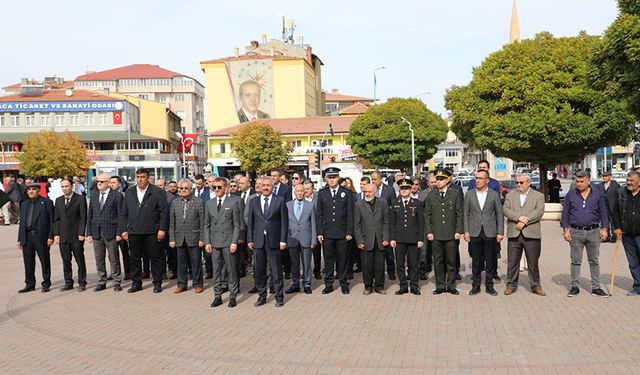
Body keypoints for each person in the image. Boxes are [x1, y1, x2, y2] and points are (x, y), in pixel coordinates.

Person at [560, 170, 610, 298]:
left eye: (582, 181)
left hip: (593, 232)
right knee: (575, 261)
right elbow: (565, 213)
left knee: (594, 261)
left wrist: (604, 229)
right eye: (577, 181)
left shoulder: (597, 194)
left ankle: (596, 287)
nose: (579, 184)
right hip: (575, 232)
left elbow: (603, 213)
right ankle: (575, 286)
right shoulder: (571, 195)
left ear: (589, 181)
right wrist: (565, 230)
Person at [119, 168, 169, 293]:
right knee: (134, 258)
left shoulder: (157, 192)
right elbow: (123, 213)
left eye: (142, 177)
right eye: (138, 177)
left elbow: (164, 212)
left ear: (148, 178)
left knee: (156, 257)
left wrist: (162, 229)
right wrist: (123, 229)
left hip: (152, 230)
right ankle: (136, 283)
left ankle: (157, 283)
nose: (140, 179)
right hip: (134, 231)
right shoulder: (129, 192)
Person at [247, 177, 288, 307]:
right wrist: (250, 239)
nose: (265, 187)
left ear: (273, 187)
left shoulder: (280, 201)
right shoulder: (253, 202)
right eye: (262, 185)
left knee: (276, 270)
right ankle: (262, 296)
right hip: (258, 241)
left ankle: (279, 296)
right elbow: (251, 223)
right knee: (259, 270)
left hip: (274, 241)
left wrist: (283, 240)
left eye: (268, 185)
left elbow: (284, 223)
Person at [503, 173, 546, 296]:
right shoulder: (510, 196)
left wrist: (526, 220)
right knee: (512, 262)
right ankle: (511, 285)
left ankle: (536, 285)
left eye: (521, 182)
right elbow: (505, 210)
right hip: (514, 233)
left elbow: (539, 211)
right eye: (517, 182)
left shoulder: (538, 196)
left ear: (529, 183)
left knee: (533, 262)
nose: (518, 185)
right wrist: (519, 218)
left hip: (531, 233)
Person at [463, 170, 504, 296]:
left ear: (487, 180)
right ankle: (475, 285)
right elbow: (466, 214)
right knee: (476, 260)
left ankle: (489, 285)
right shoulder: (469, 194)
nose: (478, 180)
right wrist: (466, 231)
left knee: (490, 260)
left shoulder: (494, 194)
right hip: (474, 232)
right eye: (476, 178)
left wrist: (500, 232)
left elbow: (499, 214)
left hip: (490, 231)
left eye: (481, 178)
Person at [204, 178, 243, 307]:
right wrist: (207, 241)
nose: (216, 190)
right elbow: (206, 224)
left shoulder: (233, 202)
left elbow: (237, 225)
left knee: (231, 270)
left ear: (225, 187)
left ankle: (232, 295)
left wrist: (234, 242)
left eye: (219, 187)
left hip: (228, 241)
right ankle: (217, 295)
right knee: (216, 271)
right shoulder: (209, 203)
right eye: (214, 187)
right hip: (214, 242)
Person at [316, 167, 355, 295]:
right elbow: (319, 214)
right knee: (328, 260)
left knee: (342, 260)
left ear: (338, 178)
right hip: (327, 233)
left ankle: (344, 284)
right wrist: (320, 232)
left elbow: (350, 214)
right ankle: (328, 284)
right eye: (329, 177)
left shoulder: (347, 192)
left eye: (334, 177)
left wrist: (349, 232)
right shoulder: (322, 193)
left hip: (342, 233)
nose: (332, 180)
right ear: (326, 179)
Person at [425, 169, 463, 295]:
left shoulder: (454, 194)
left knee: (451, 261)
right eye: (437, 180)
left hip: (451, 233)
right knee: (438, 261)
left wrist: (459, 231)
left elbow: (459, 214)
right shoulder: (431, 195)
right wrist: (429, 232)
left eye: (441, 179)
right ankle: (440, 285)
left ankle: (451, 285)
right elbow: (427, 215)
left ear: (447, 180)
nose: (439, 182)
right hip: (436, 234)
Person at [86, 174, 122, 292]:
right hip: (96, 232)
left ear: (108, 183)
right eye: (98, 182)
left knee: (114, 258)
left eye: (102, 181)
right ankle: (102, 281)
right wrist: (89, 233)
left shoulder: (116, 196)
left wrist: (119, 233)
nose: (99, 183)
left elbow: (120, 215)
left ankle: (116, 281)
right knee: (99, 259)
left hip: (111, 232)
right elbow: (90, 215)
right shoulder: (94, 195)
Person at [16, 183, 54, 293]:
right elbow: (22, 222)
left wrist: (50, 236)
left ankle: (46, 283)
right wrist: (19, 238)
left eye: (34, 189)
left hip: (41, 236)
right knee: (28, 261)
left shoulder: (47, 202)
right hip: (27, 237)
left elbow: (52, 221)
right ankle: (30, 283)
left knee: (44, 260)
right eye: (29, 190)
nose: (31, 191)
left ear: (39, 190)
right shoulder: (24, 204)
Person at [169, 179, 205, 294]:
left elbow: (203, 222)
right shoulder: (175, 202)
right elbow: (172, 223)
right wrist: (172, 239)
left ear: (191, 189)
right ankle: (181, 284)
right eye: (181, 188)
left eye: (186, 188)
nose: (183, 190)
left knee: (196, 263)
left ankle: (197, 284)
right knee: (181, 263)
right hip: (180, 238)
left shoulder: (199, 202)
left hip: (194, 237)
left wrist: (202, 238)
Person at [389, 178, 424, 295]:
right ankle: (403, 286)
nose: (404, 190)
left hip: (413, 239)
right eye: (402, 188)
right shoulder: (395, 203)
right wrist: (392, 238)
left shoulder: (417, 203)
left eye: (406, 188)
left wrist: (420, 239)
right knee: (399, 264)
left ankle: (414, 286)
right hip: (399, 239)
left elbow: (421, 223)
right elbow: (391, 223)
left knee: (414, 264)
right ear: (399, 190)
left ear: (411, 189)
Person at [53, 178, 88, 292]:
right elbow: (57, 219)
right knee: (66, 260)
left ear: (72, 186)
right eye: (62, 186)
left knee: (79, 259)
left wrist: (82, 233)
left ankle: (82, 282)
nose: (64, 189)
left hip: (76, 236)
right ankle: (68, 282)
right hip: (63, 236)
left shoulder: (80, 199)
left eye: (66, 186)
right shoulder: (58, 200)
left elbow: (83, 217)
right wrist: (56, 234)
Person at [354, 183, 389, 295]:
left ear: (375, 192)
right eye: (365, 192)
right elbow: (357, 225)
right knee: (367, 265)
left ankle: (379, 286)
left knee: (380, 265)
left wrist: (386, 238)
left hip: (379, 239)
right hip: (366, 240)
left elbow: (386, 222)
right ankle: (368, 286)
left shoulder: (382, 203)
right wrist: (359, 241)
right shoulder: (359, 204)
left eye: (370, 192)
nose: (367, 194)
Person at [611, 171, 640, 296]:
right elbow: (615, 211)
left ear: (639, 182)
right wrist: (617, 227)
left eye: (631, 181)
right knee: (633, 262)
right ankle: (637, 286)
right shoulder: (621, 193)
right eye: (628, 180)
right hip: (627, 234)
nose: (628, 183)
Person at [286, 184, 317, 294]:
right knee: (294, 263)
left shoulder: (310, 205)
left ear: (305, 192)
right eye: (298, 191)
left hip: (306, 238)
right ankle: (295, 284)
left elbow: (313, 223)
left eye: (302, 191)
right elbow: (285, 224)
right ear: (294, 192)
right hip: (292, 238)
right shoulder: (288, 205)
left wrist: (313, 240)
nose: (300, 193)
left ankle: (307, 284)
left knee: (307, 263)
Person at [370, 170, 396, 280]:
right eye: (372, 179)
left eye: (375, 179)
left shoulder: (389, 190)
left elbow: (393, 206)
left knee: (389, 252)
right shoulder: (370, 189)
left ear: (380, 179)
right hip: (373, 225)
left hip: (386, 224)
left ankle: (391, 272)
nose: (373, 181)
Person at [271, 169, 292, 279]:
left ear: (280, 177)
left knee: (284, 247)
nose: (273, 177)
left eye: (275, 176)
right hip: (271, 222)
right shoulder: (269, 188)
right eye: (271, 175)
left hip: (282, 219)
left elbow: (288, 204)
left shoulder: (286, 189)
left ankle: (288, 270)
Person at [109, 175, 131, 280]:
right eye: (111, 182)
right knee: (112, 254)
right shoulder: (106, 196)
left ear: (119, 184)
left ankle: (128, 272)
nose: (112, 184)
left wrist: (124, 228)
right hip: (110, 229)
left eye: (114, 182)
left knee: (125, 252)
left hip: (122, 228)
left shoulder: (124, 196)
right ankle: (114, 272)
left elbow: (126, 213)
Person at [596, 170, 620, 243]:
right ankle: (607, 236)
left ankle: (614, 236)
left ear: (610, 177)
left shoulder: (615, 184)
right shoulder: (599, 185)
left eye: (606, 176)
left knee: (613, 221)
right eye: (603, 176)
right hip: (603, 206)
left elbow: (619, 194)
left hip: (613, 206)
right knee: (605, 221)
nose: (604, 177)